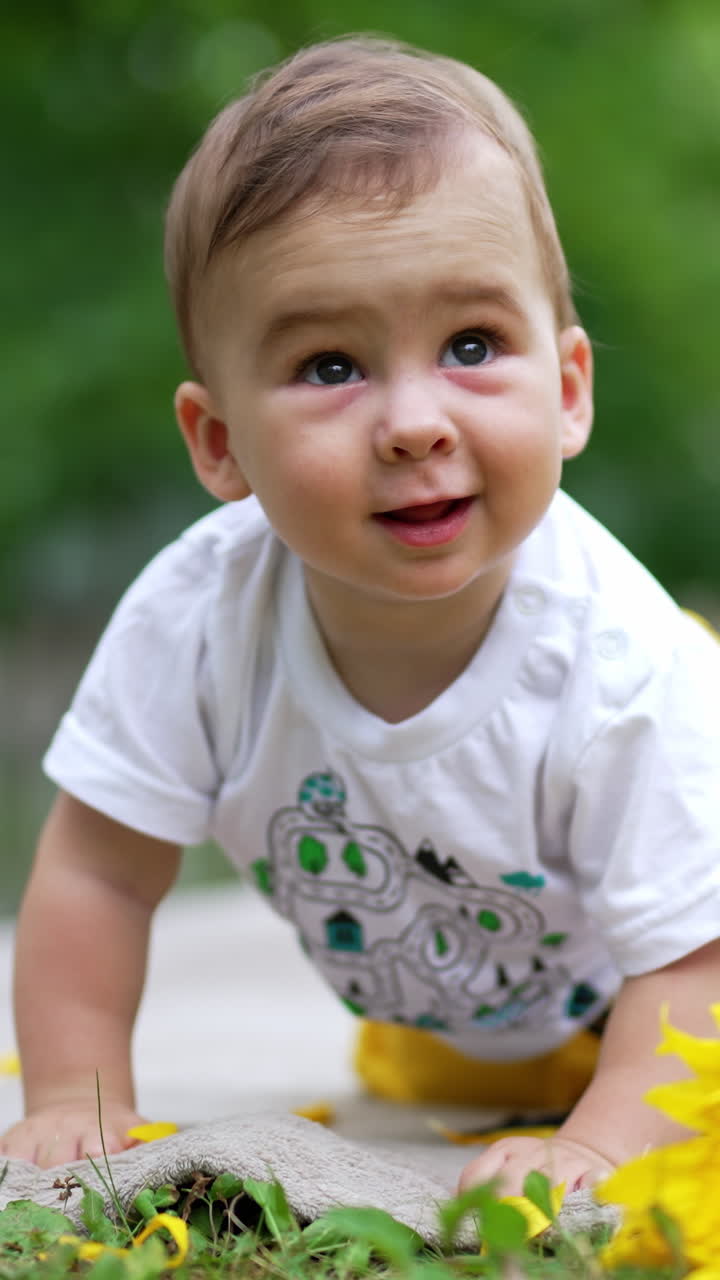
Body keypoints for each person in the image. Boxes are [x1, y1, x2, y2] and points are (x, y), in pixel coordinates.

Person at [2, 35, 719, 1198]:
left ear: (571, 389)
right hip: (454, 1002)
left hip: (684, 962)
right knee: (445, 1085)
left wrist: (597, 1145)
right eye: (331, 364)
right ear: (220, 443)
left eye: (473, 346)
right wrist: (74, 1099)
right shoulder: (196, 622)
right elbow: (97, 870)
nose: (414, 422)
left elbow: (696, 956)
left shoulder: (623, 668)